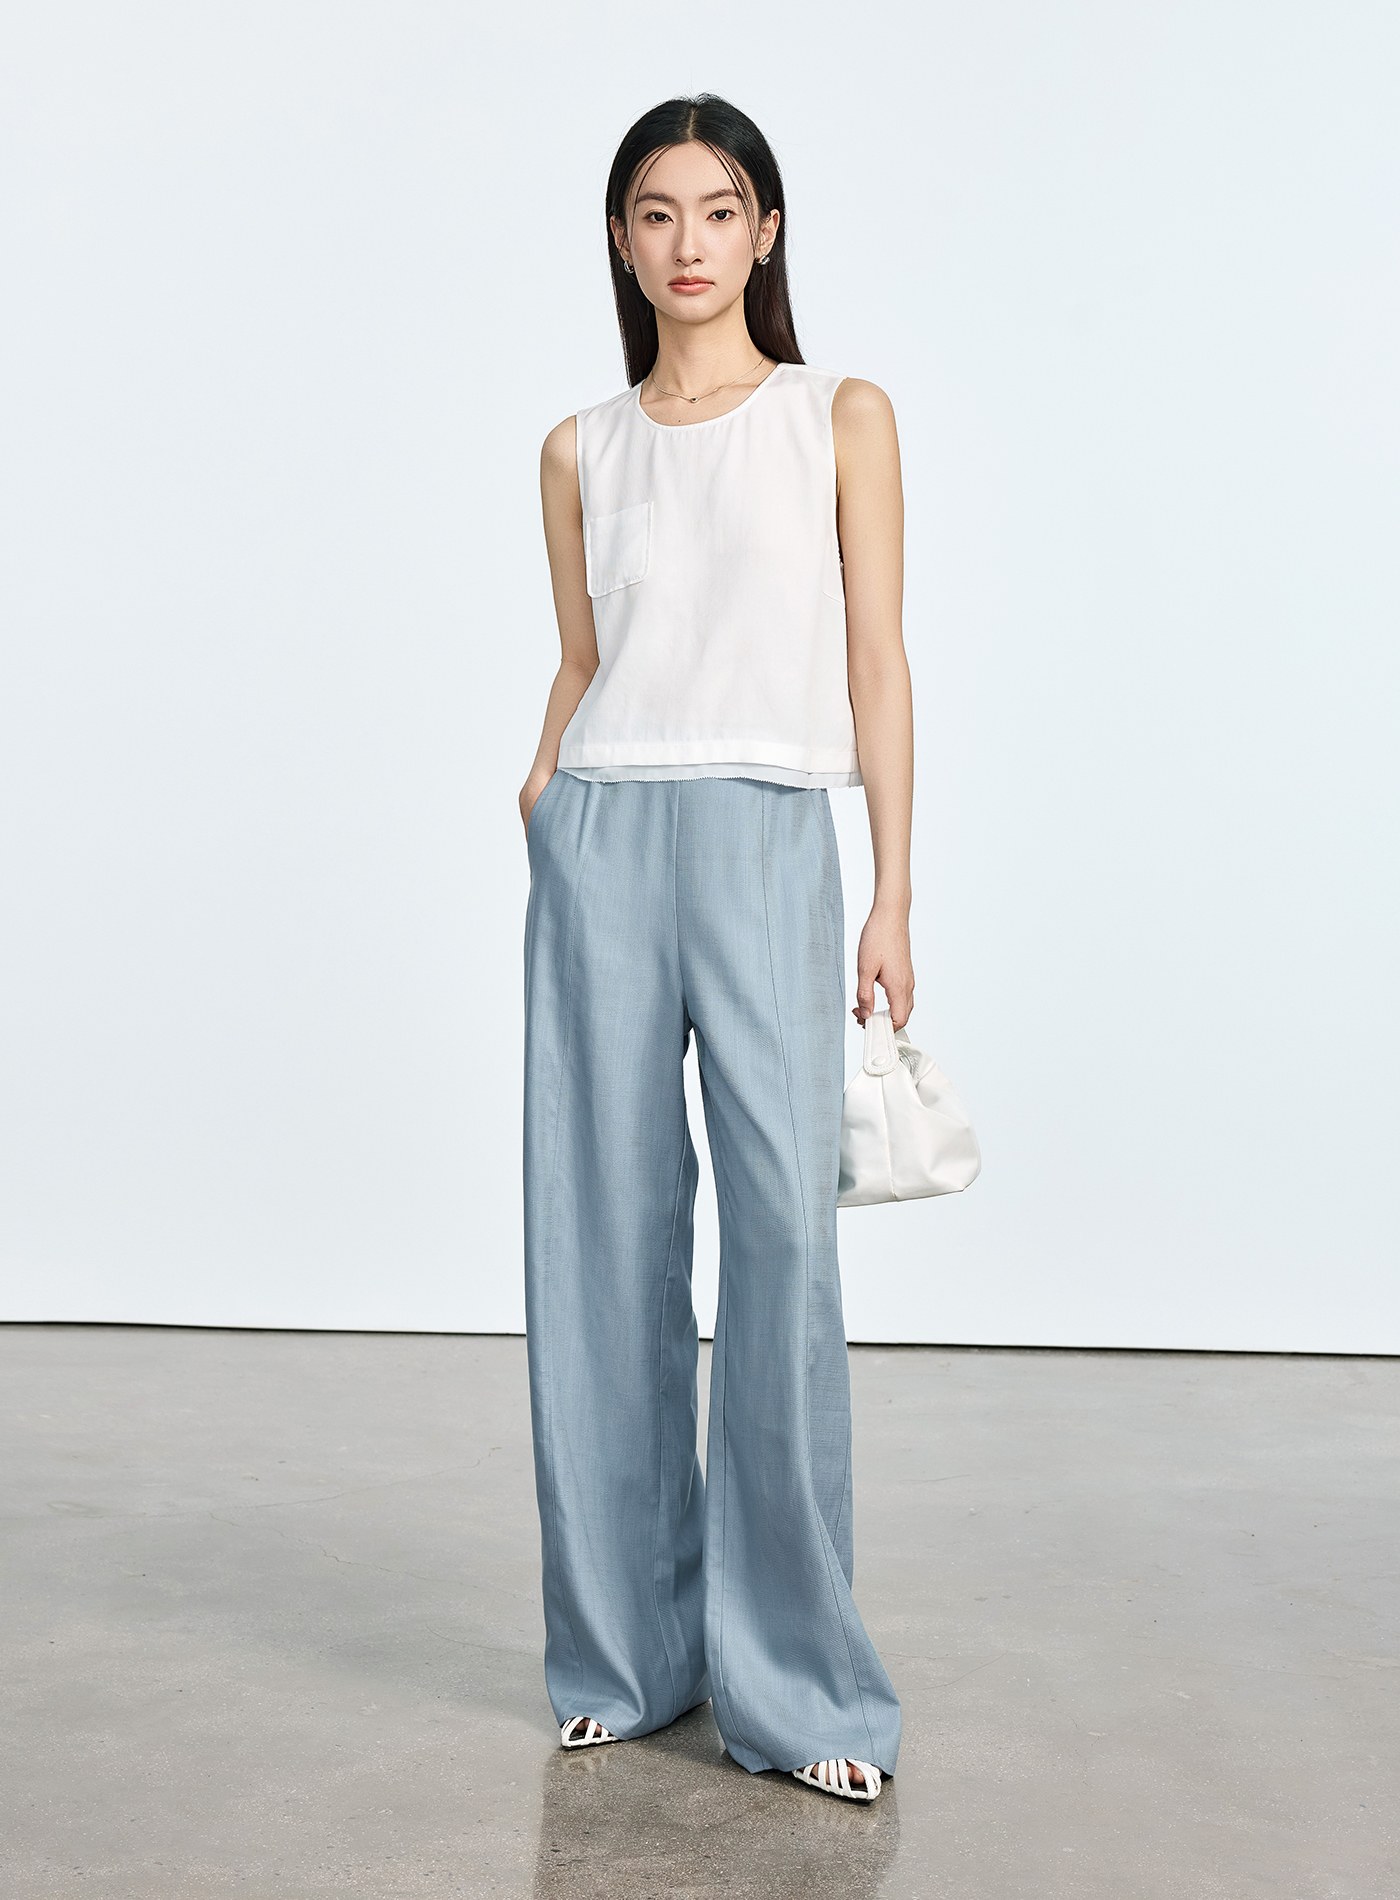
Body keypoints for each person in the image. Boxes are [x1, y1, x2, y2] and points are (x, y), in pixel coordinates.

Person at [519, 93, 915, 1805]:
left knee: (782, 1256)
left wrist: (892, 891)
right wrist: (543, 781)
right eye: (658, 212)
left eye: (721, 207)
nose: (690, 241)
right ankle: (623, 1659)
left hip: (767, 835)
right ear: (623, 243)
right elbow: (584, 652)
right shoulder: (578, 447)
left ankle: (804, 1689)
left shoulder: (839, 415)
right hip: (602, 837)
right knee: (597, 1245)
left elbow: (880, 658)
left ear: (766, 232)